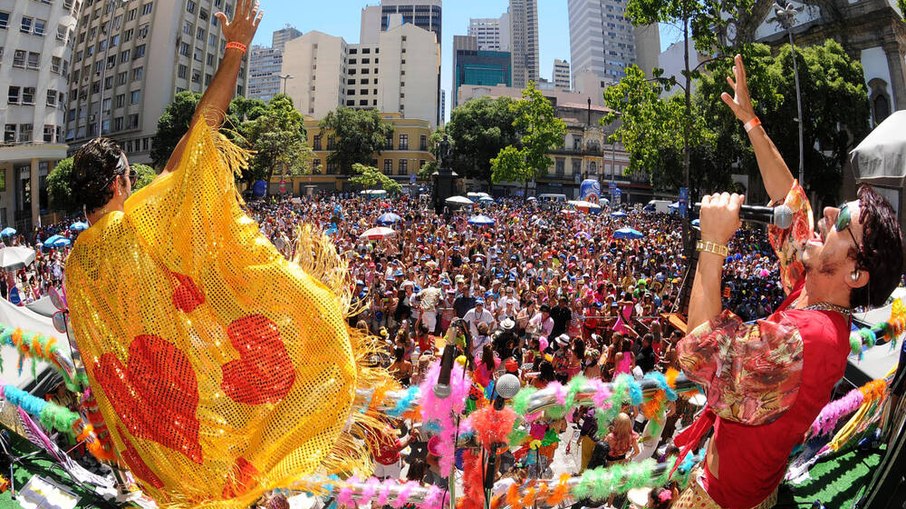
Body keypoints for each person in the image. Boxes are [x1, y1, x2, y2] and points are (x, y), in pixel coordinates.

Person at [62, 1, 395, 505]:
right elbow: (201, 134)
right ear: (117, 183)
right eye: (131, 177)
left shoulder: (75, 266)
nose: (136, 185)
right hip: (200, 413)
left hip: (156, 445)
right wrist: (236, 49)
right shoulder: (134, 227)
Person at [673, 55, 903, 509]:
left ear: (856, 274)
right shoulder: (817, 293)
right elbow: (791, 202)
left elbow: (700, 351)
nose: (831, 213)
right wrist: (751, 121)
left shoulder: (814, 338)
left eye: (847, 221)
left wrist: (713, 243)